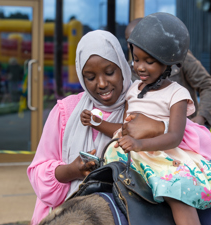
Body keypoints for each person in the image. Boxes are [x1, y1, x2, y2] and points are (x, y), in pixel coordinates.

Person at [83, 13, 211, 225]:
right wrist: (98, 123)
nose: (139, 67)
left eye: (149, 61)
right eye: (136, 59)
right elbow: (125, 129)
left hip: (162, 157)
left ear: (168, 63)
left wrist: (140, 143)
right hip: (129, 158)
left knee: (178, 195)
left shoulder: (177, 94)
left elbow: (174, 137)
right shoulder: (133, 89)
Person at [27, 30, 165, 225]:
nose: (101, 83)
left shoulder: (144, 104)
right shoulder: (65, 112)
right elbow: (38, 173)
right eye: (90, 77)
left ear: (123, 67)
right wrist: (71, 171)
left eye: (110, 72)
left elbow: (179, 141)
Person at [125, 18, 211, 127]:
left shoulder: (178, 57)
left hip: (182, 132)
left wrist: (201, 117)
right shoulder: (128, 69)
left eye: (150, 62)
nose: (131, 45)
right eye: (129, 41)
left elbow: (207, 85)